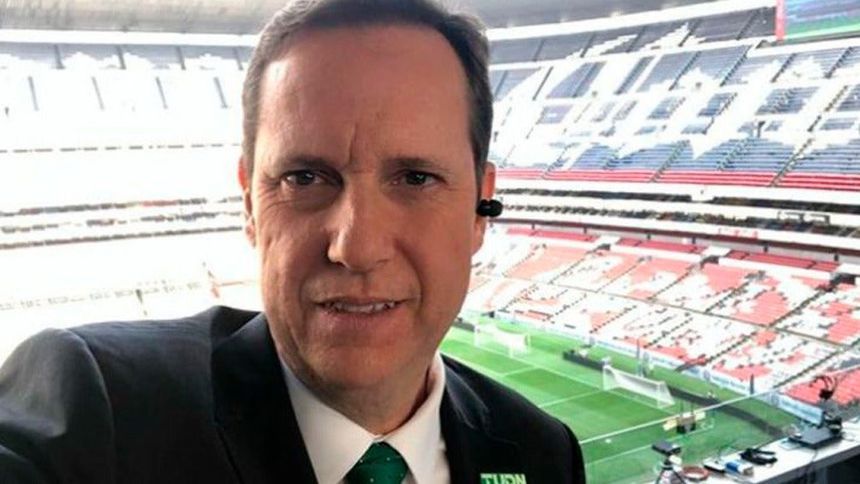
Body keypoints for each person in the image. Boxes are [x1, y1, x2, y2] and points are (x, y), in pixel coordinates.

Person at [0, 0, 585, 482]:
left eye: (415, 179)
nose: (356, 248)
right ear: (250, 204)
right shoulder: (97, 408)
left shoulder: (543, 453)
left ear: (480, 207)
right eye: (304, 178)